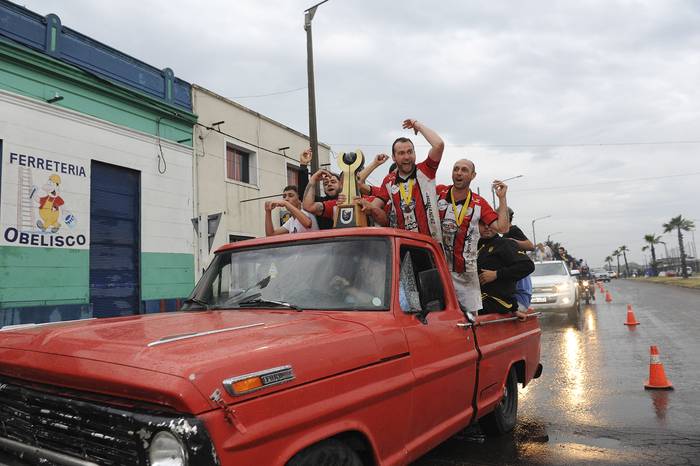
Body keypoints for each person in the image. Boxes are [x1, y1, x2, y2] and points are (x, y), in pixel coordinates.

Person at [436, 159, 510, 312]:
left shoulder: (479, 203)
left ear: (473, 175)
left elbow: (502, 228)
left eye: (464, 170)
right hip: (438, 269)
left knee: (470, 322)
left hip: (465, 274)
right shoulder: (439, 193)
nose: (459, 173)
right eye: (456, 169)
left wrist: (501, 198)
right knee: (439, 318)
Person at [360, 119, 445, 243]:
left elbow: (439, 144)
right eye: (401, 153)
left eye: (410, 152)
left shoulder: (425, 170)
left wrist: (417, 125)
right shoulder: (389, 181)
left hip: (430, 245)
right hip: (403, 245)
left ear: (415, 153)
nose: (406, 157)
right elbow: (374, 207)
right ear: (394, 157)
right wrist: (364, 205)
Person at [476, 220, 534, 319]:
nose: (487, 227)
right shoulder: (472, 246)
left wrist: (497, 274)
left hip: (497, 301)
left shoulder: (504, 243)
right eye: (482, 224)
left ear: (497, 225)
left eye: (490, 223)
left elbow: (527, 265)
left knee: (465, 311)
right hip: (477, 298)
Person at [302, 169, 388, 226]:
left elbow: (386, 222)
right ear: (341, 184)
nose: (352, 182)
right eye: (346, 180)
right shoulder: (336, 204)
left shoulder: (372, 200)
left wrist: (372, 208)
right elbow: (308, 206)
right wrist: (313, 179)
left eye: (355, 179)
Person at [297, 148, 340, 230]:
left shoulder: (349, 200)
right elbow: (303, 195)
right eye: (325, 183)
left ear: (341, 185)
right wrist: (303, 165)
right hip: (326, 241)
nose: (329, 184)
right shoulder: (320, 202)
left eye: (333, 182)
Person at [503, 207, 535, 311]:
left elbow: (530, 246)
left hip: (520, 283)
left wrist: (512, 242)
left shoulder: (513, 230)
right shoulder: (505, 233)